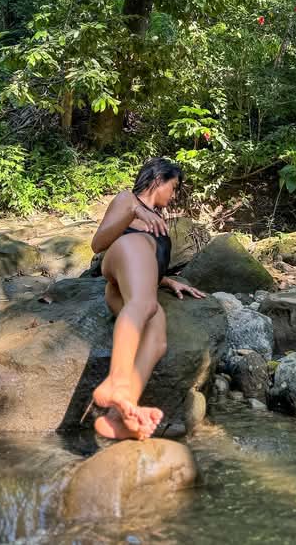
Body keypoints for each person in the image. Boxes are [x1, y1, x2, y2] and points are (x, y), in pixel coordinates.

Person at [85, 157, 205, 440]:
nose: (173, 195)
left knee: (157, 340)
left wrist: (167, 280)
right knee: (145, 304)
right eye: (173, 187)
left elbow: (145, 264)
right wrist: (134, 212)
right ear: (158, 180)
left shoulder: (157, 218)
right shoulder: (128, 200)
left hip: (130, 288)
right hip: (122, 255)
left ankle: (120, 416)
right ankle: (116, 382)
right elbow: (98, 244)